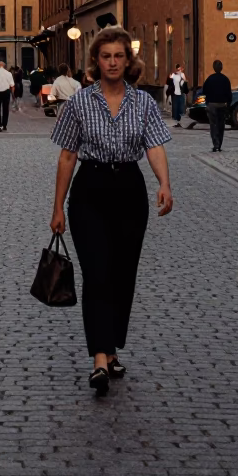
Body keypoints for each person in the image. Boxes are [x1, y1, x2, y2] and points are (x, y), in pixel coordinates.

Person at [50, 27, 173, 396]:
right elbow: (67, 155)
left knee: (122, 276)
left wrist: (164, 183)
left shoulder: (144, 103)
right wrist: (57, 206)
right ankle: (99, 358)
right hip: (90, 190)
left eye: (119, 56)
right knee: (97, 273)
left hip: (130, 192)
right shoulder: (79, 103)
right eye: (106, 56)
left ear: (128, 60)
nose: (113, 62)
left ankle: (112, 346)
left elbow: (154, 147)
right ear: (96, 61)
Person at [202, 59, 232, 151]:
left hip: (212, 104)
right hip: (222, 104)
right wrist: (228, 104)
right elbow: (229, 93)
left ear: (213, 68)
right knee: (221, 125)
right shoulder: (225, 79)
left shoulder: (210, 79)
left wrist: (207, 102)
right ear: (221, 68)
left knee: (213, 125)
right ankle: (220, 144)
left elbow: (204, 91)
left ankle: (216, 144)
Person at [0, 60, 15, 132]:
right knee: (5, 109)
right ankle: (4, 125)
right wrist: (12, 94)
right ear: (4, 66)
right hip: (6, 92)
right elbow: (12, 85)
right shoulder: (8, 73)